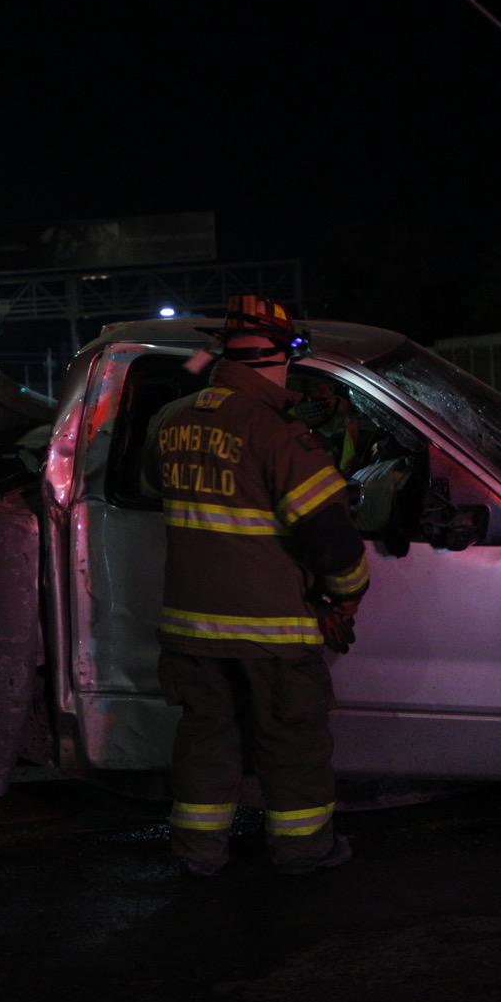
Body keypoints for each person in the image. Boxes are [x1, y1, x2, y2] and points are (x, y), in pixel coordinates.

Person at [145, 295, 370, 876]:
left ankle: (198, 856)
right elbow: (333, 543)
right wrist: (347, 595)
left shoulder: (169, 421)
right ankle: (303, 852)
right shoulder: (279, 436)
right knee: (292, 743)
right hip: (272, 630)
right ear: (280, 356)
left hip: (190, 628)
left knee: (206, 741)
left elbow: (150, 483)